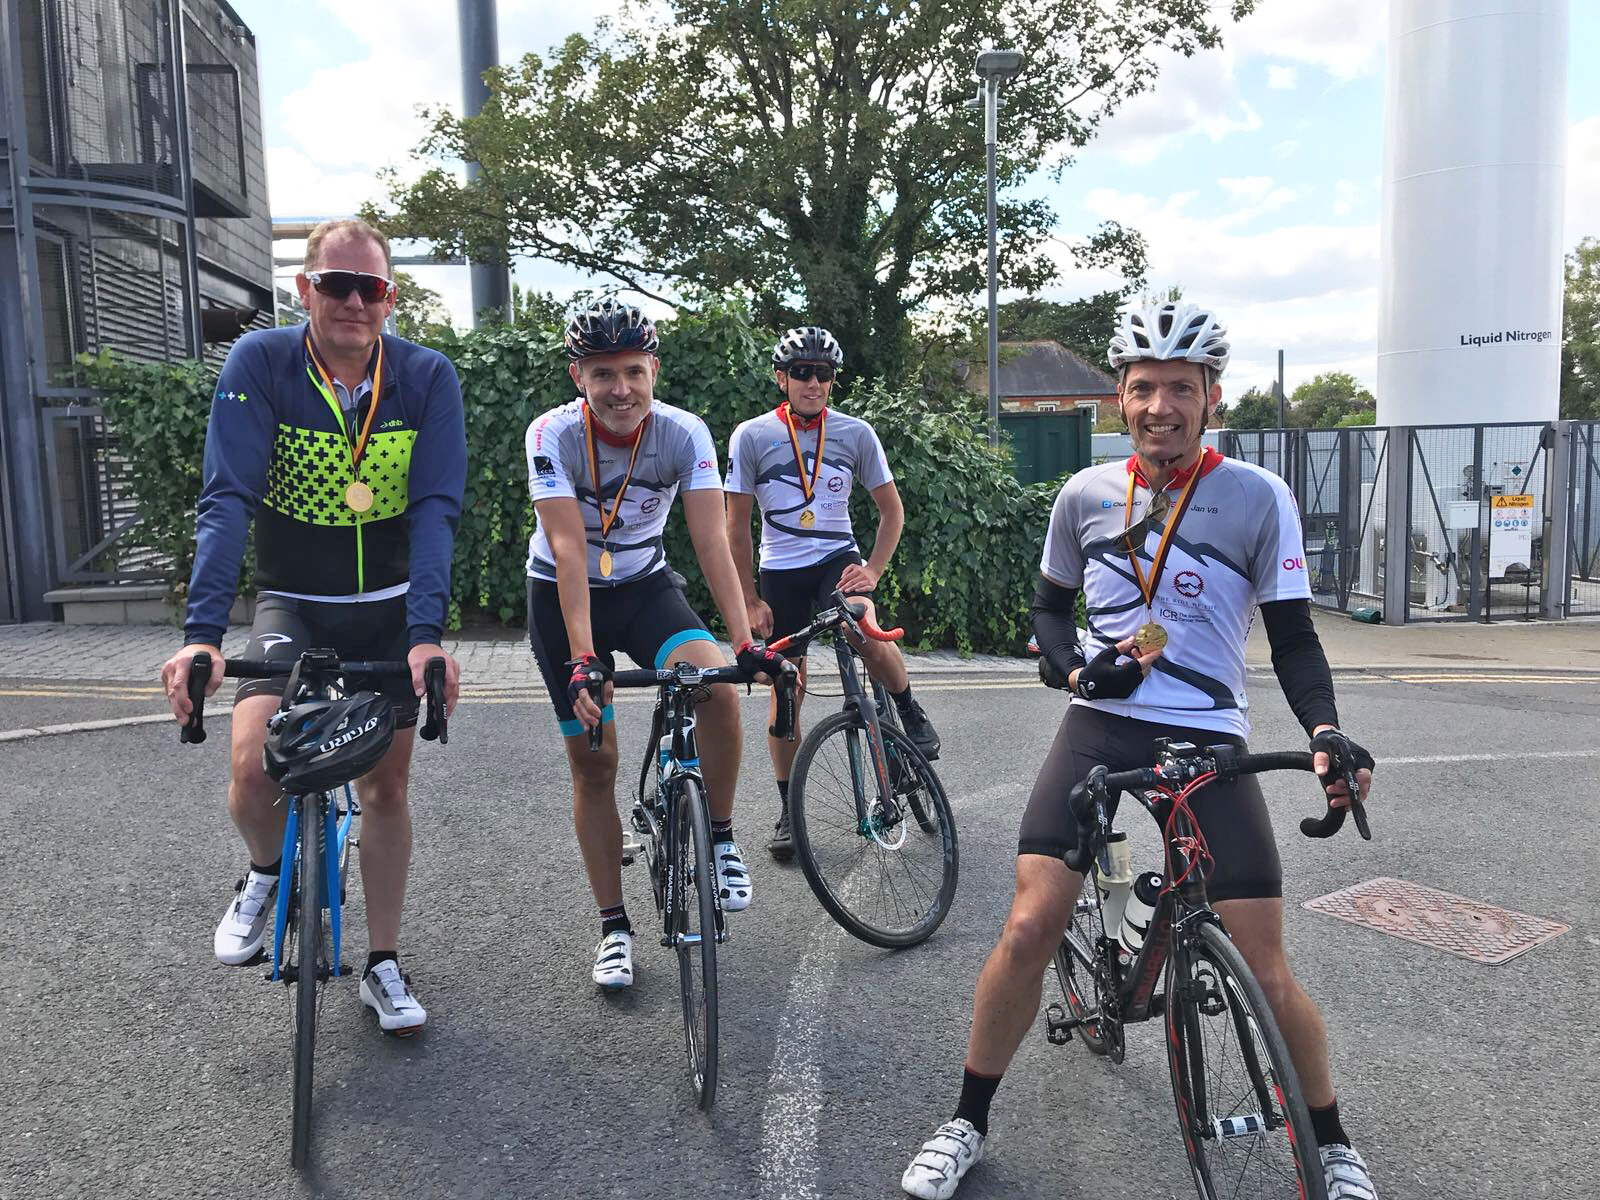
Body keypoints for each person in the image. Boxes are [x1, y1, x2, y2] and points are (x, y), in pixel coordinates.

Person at [901, 301, 1378, 1200]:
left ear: (1212, 398)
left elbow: (1294, 640)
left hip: (1207, 735)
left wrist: (1322, 731)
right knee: (1030, 924)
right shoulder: (1083, 494)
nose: (1162, 405)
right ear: (1120, 399)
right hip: (1102, 726)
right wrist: (1071, 668)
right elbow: (1048, 609)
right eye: (1144, 388)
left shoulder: (1255, 496)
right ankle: (966, 1119)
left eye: (1181, 390)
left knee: (1265, 963)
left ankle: (1333, 1142)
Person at [159, 217, 466, 1036]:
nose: (355, 303)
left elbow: (436, 512)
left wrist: (426, 632)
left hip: (392, 606)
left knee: (387, 787)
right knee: (255, 765)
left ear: (390, 298)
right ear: (305, 290)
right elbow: (227, 498)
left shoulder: (427, 376)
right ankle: (263, 872)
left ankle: (384, 963)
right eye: (337, 284)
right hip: (293, 600)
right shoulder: (261, 363)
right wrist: (201, 633)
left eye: (372, 288)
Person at [524, 295, 788, 989]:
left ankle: (722, 838)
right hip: (561, 595)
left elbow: (710, 540)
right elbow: (567, 548)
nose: (621, 390)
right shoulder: (551, 435)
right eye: (603, 373)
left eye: (633, 372)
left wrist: (742, 641)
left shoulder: (684, 433)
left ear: (654, 370)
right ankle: (614, 927)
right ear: (578, 377)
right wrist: (584, 659)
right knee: (595, 762)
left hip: (644, 588)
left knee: (719, 691)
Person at [725, 326, 941, 860]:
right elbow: (734, 527)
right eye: (802, 372)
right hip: (780, 571)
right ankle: (786, 809)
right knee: (784, 690)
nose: (814, 382)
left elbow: (892, 511)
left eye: (823, 374)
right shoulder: (750, 436)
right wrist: (750, 599)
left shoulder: (856, 433)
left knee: (861, 622)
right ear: (782, 378)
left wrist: (872, 568)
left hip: (836, 561)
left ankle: (907, 707)